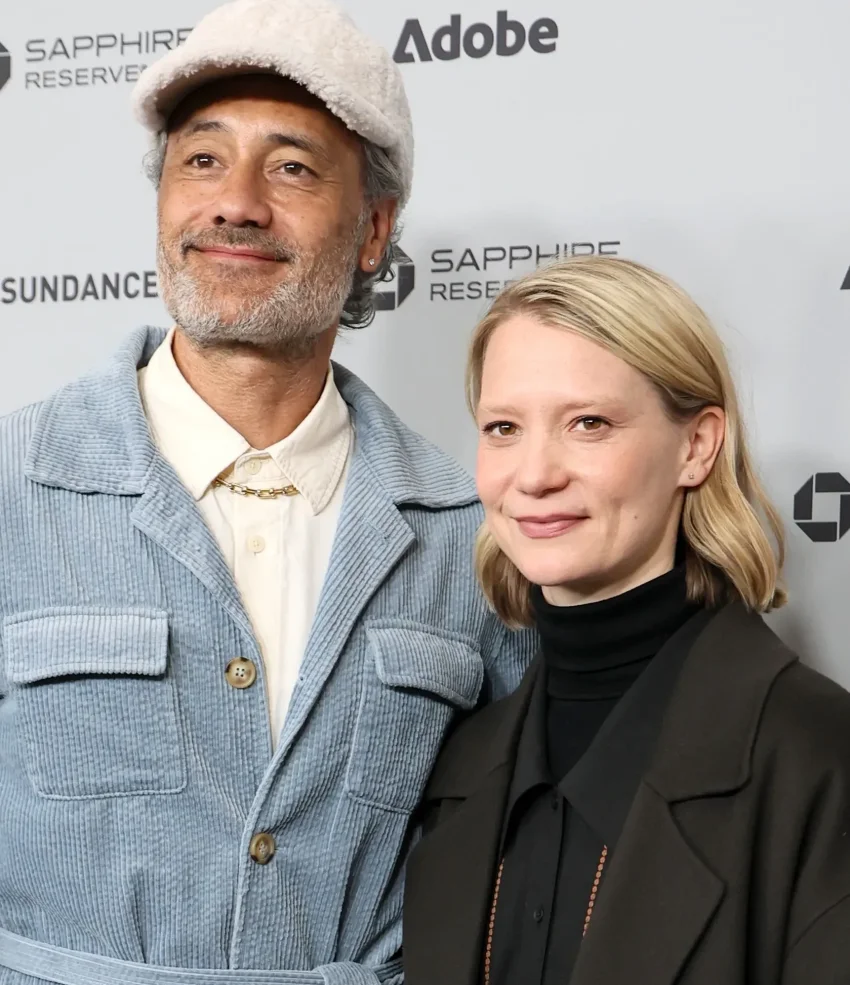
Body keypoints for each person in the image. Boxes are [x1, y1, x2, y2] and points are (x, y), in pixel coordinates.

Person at [0, 2, 534, 984]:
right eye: (202, 160)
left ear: (373, 231)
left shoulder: (472, 533)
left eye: (291, 168)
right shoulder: (12, 486)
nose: (236, 203)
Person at [403, 256, 850, 985]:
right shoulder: (461, 762)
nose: (535, 475)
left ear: (696, 446)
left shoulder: (816, 753)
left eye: (589, 423)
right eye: (504, 427)